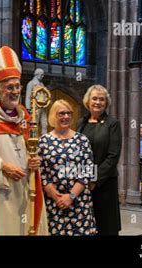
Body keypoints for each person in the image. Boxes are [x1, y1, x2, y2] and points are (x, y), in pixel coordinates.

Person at [0, 46, 48, 235]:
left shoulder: (26, 118)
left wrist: (35, 161)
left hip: (24, 190)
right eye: (9, 87)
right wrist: (4, 166)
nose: (15, 91)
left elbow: (31, 151)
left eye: (17, 86)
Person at [38, 99, 97, 236]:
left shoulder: (82, 140)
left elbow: (88, 171)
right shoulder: (43, 141)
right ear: (53, 115)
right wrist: (55, 196)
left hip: (79, 202)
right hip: (54, 203)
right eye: (61, 113)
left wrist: (70, 197)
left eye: (69, 113)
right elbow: (41, 173)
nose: (66, 117)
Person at [77, 84, 122, 236]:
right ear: (88, 101)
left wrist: (95, 180)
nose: (98, 102)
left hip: (104, 183)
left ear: (106, 103)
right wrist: (82, 179)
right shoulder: (81, 123)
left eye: (101, 99)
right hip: (83, 183)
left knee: (105, 225)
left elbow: (113, 156)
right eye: (94, 98)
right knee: (85, 223)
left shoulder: (112, 124)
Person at [25, 68, 48, 135]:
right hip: (34, 107)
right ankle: (33, 140)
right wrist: (28, 108)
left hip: (43, 106)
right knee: (35, 124)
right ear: (37, 74)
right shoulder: (31, 83)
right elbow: (28, 96)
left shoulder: (42, 84)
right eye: (42, 75)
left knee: (45, 124)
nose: (43, 76)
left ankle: (44, 139)